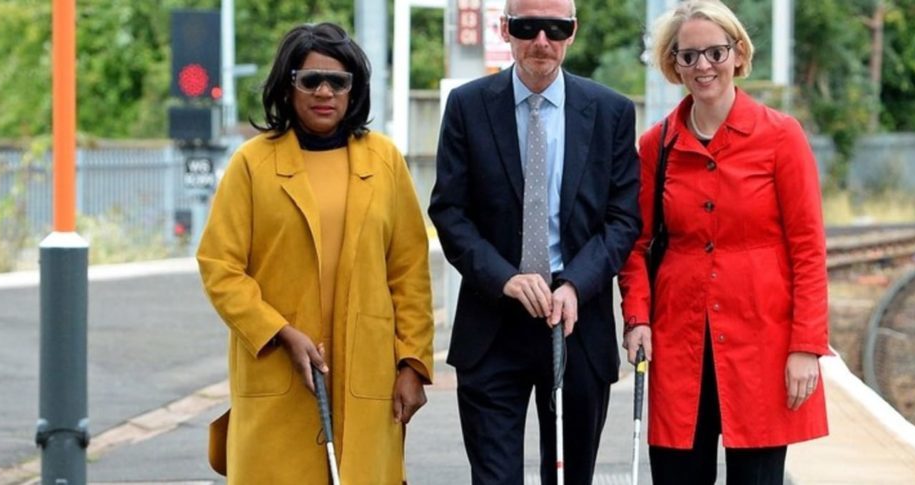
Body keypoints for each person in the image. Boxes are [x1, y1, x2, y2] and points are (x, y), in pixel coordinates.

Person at [197, 22, 433, 484]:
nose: (325, 91)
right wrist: (279, 331)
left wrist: (413, 364)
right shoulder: (251, 164)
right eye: (310, 80)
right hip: (277, 374)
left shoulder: (384, 161)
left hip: (368, 376)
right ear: (288, 87)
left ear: (354, 90)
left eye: (338, 82)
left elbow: (409, 271)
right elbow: (219, 266)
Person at [428, 0, 641, 482]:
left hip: (576, 323)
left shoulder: (611, 112)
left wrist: (577, 286)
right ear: (506, 30)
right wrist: (505, 279)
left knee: (569, 477)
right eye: (527, 27)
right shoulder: (467, 106)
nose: (541, 41)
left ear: (573, 32)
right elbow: (449, 211)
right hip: (492, 322)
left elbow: (623, 219)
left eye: (555, 27)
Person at [617, 1, 830, 484]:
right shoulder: (657, 145)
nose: (703, 66)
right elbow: (636, 245)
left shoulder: (781, 136)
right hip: (678, 344)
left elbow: (808, 250)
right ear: (674, 64)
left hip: (762, 343)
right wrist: (637, 317)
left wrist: (806, 347)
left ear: (738, 54)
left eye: (715, 52)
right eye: (688, 56)